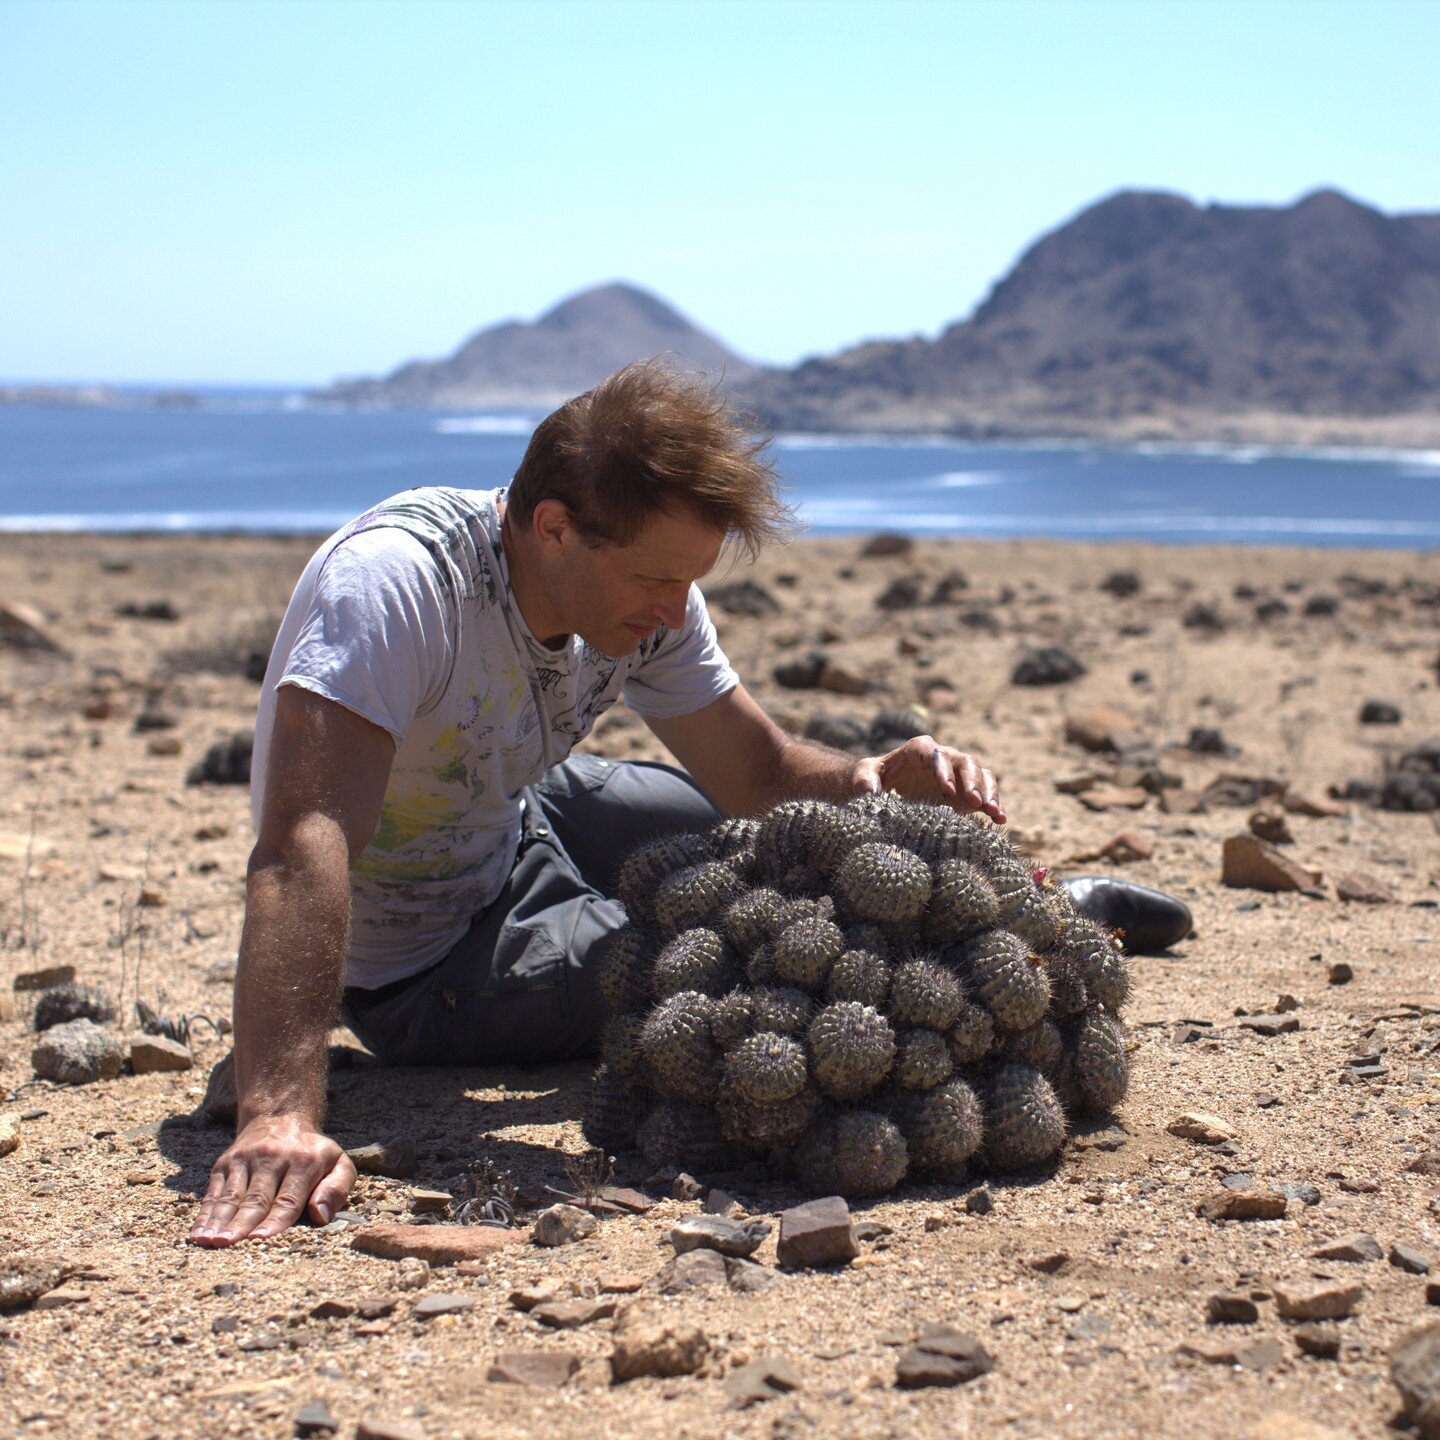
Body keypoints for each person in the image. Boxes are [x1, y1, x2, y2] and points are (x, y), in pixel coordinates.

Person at [190, 361, 1189, 1248]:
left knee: (798, 853)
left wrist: (877, 775)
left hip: (525, 814)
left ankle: (1030, 919)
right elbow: (300, 843)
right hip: (424, 951)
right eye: (658, 578)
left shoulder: (641, 591)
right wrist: (280, 1106)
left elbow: (756, 775)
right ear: (554, 528)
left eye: (691, 580)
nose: (675, 610)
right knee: (724, 964)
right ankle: (1044, 947)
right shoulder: (392, 590)